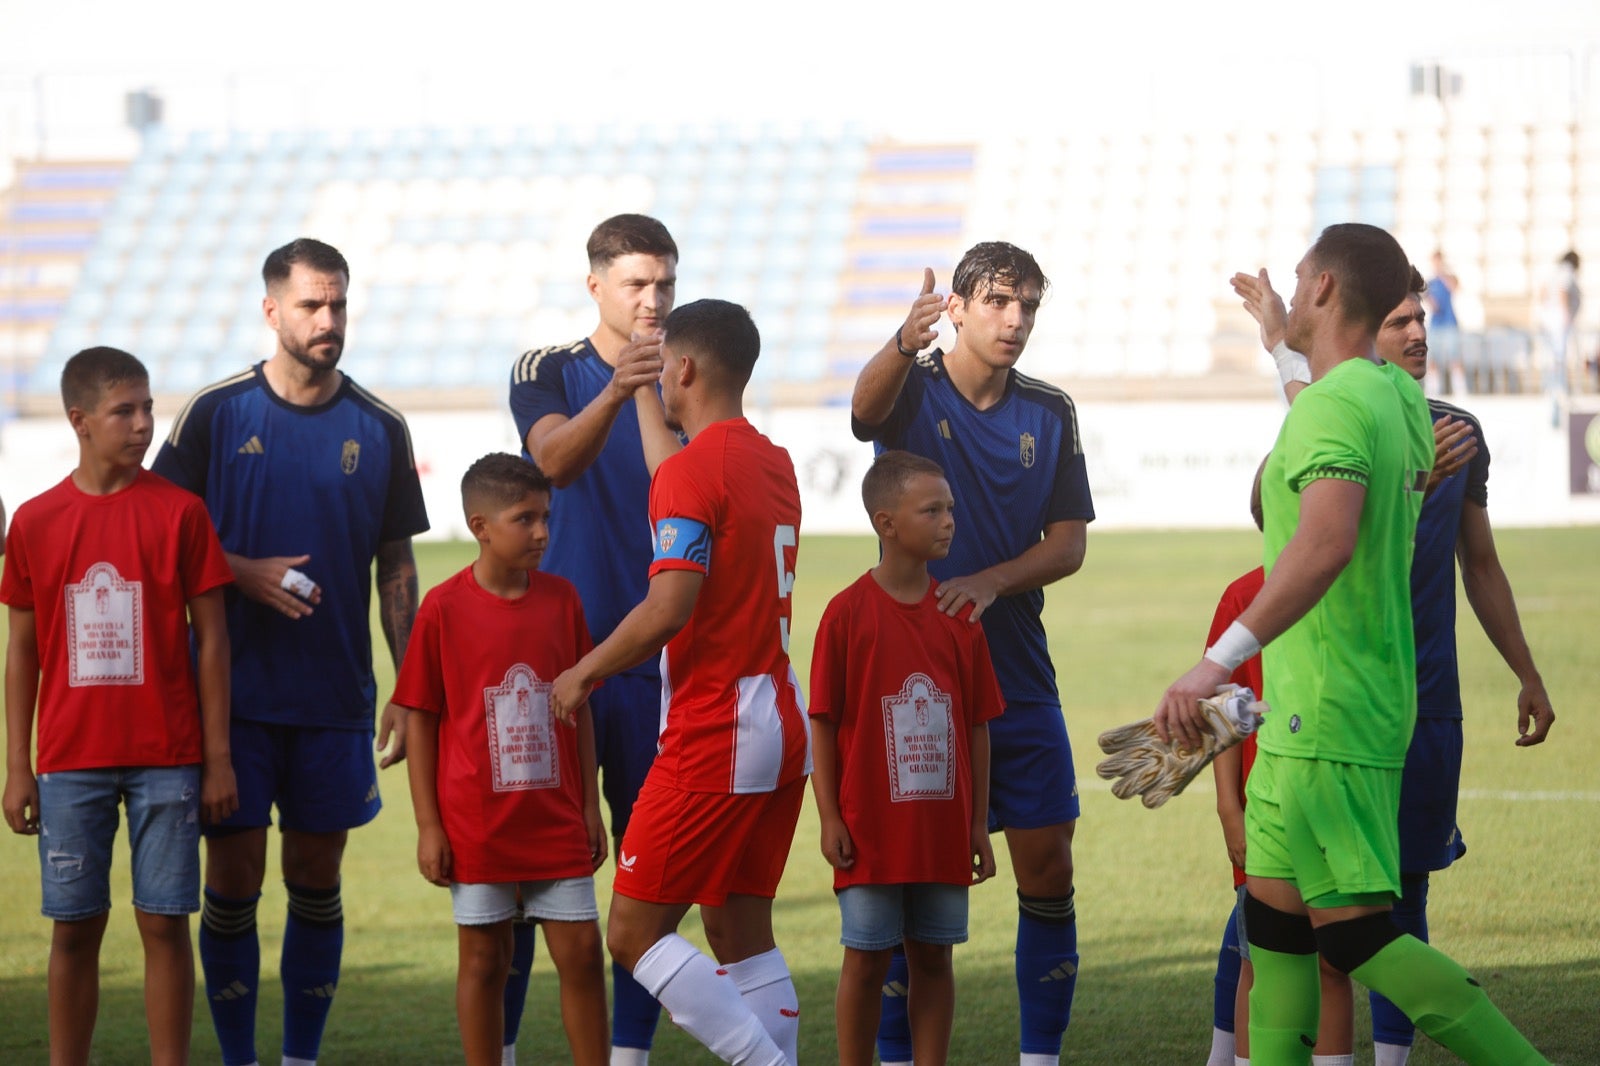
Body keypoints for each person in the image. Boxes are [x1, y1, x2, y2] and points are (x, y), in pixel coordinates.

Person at [1157, 223, 1548, 1066]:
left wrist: (1213, 661)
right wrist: (1281, 349)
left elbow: (1326, 543)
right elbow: (1322, 413)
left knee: (1361, 943)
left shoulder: (1344, 403)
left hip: (1326, 721)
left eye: (1300, 281)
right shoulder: (1394, 398)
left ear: (1329, 289)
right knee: (1276, 935)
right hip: (1310, 716)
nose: (1292, 293)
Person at [152, 238, 430, 1066]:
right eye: (311, 305)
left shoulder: (380, 425)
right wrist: (239, 571)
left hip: (333, 698)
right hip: (229, 700)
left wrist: (409, 682)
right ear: (272, 311)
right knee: (233, 883)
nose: (328, 320)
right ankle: (240, 1059)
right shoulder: (217, 412)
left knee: (317, 876)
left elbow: (397, 563)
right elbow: (157, 537)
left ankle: (299, 1058)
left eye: (338, 304)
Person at [851, 243, 1093, 1066]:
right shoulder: (911, 388)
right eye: (997, 302)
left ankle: (1040, 1056)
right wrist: (898, 343)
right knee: (905, 891)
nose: (1015, 319)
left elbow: (1067, 545)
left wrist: (990, 580)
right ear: (956, 308)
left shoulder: (1050, 411)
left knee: (1049, 868)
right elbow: (860, 415)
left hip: (1017, 672)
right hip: (911, 687)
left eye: (1027, 304)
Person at [550, 299, 809, 1066]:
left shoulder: (695, 474)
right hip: (779, 724)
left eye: (663, 368)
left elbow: (668, 608)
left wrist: (583, 671)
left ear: (686, 369)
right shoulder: (773, 460)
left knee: (631, 933)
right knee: (737, 930)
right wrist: (636, 388)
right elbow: (685, 475)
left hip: (717, 732)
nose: (660, 378)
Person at [2, 346, 236, 1065]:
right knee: (74, 928)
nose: (143, 425)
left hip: (169, 760)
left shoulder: (181, 513)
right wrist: (19, 764)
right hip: (71, 764)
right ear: (80, 421)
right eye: (123, 412)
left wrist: (217, 758)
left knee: (165, 925)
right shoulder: (36, 522)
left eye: (147, 408)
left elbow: (213, 640)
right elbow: (22, 652)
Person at [508, 213, 678, 1064]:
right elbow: (551, 463)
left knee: (648, 879)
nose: (653, 301)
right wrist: (618, 387)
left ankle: (629, 1055)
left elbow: (688, 483)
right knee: (519, 876)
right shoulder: (547, 370)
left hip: (659, 667)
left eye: (664, 285)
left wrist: (652, 386)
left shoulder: (689, 372)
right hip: (562, 670)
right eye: (637, 284)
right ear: (596, 286)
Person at [395, 453, 608, 1066]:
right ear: (480, 526)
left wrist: (590, 806)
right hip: (477, 825)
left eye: (545, 517)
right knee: (485, 963)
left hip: (556, 818)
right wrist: (429, 825)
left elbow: (581, 709)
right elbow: (422, 718)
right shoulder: (441, 608)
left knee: (582, 958)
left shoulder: (563, 600)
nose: (542, 532)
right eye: (525, 519)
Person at [809, 450, 1004, 1066]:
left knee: (934, 957)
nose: (948, 521)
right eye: (932, 510)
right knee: (865, 960)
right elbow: (823, 722)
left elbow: (977, 728)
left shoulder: (961, 618)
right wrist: (830, 818)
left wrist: (976, 824)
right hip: (869, 829)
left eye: (949, 508)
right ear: (886, 522)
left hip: (942, 829)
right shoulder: (845, 613)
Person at [1205, 462, 1353, 1066]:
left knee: (1335, 958)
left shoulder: (1348, 591)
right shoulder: (1244, 596)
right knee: (1258, 957)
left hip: (1335, 802)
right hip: (1265, 812)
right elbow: (1222, 711)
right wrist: (1227, 808)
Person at [1538, 250, 1581, 421]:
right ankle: (1559, 388)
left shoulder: (1553, 271)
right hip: (1557, 322)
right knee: (1558, 359)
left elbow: (1542, 292)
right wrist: (1565, 315)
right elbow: (1563, 291)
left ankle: (1553, 388)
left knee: (1553, 359)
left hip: (1548, 320)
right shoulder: (1566, 272)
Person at [1423, 251, 1462, 395]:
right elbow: (1428, 300)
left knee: (1454, 357)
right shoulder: (1430, 282)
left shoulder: (1449, 277)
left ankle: (1460, 390)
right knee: (1432, 358)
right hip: (1435, 324)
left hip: (1450, 323)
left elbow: (1454, 288)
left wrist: (1442, 273)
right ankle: (1433, 390)